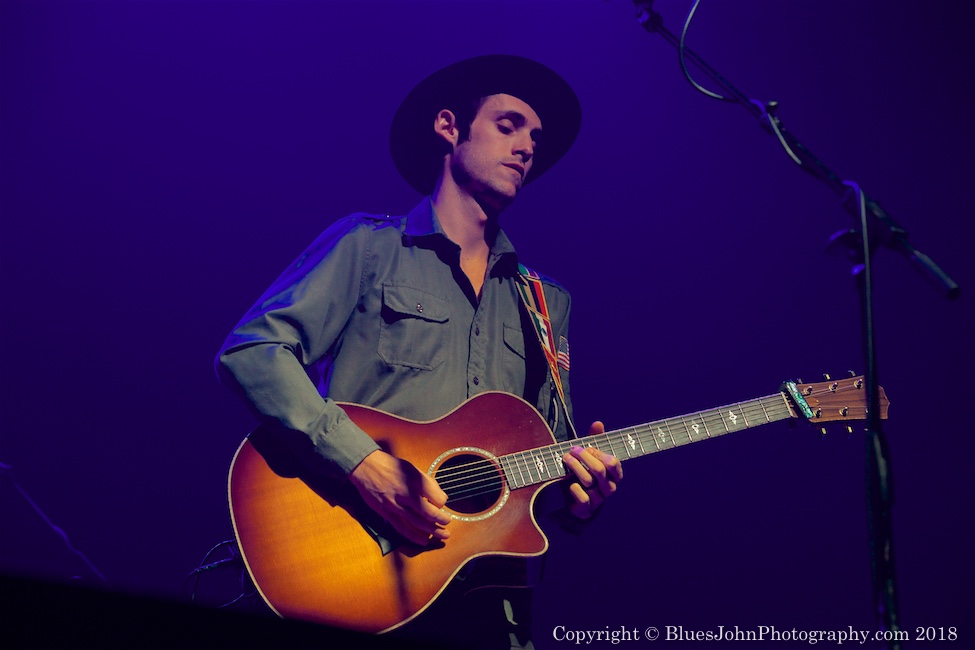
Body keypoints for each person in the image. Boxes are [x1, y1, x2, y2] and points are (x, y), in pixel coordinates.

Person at [216, 54, 623, 649]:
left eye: (536, 138)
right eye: (509, 126)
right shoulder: (369, 246)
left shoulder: (545, 301)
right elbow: (252, 351)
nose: (528, 147)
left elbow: (542, 458)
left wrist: (582, 497)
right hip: (354, 572)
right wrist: (362, 462)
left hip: (490, 605)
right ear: (448, 128)